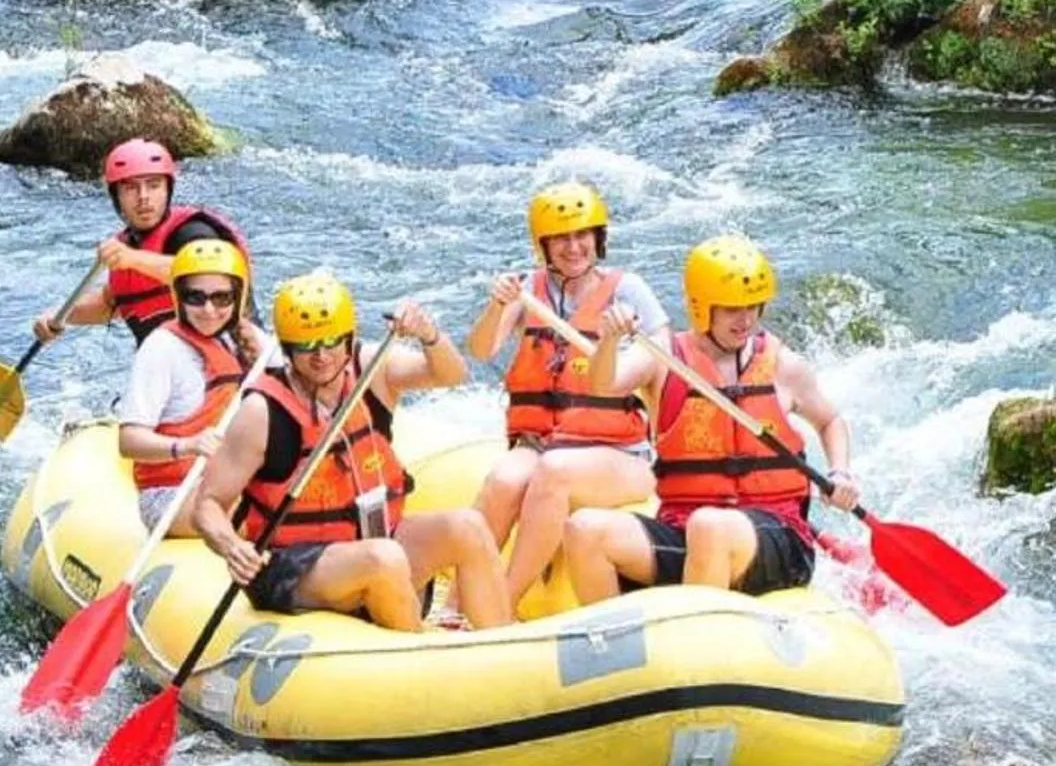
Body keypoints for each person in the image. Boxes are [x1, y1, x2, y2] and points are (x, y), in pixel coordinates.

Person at [191, 272, 513, 632]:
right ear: (287, 348)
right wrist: (231, 546)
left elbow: (450, 375)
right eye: (306, 346)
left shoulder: (371, 369)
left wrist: (428, 335)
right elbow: (208, 504)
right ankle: (417, 652)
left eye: (331, 342)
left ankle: (503, 642)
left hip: (371, 541)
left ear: (349, 337)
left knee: (467, 526)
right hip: (292, 565)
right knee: (383, 557)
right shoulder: (261, 412)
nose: (322, 356)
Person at [561, 235, 861, 604]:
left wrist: (840, 472)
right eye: (732, 309)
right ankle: (617, 638)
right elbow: (603, 384)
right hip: (686, 528)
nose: (746, 319)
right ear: (702, 307)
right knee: (584, 529)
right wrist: (609, 340)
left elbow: (830, 421)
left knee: (709, 526)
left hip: (777, 535)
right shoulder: (664, 357)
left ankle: (698, 636)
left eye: (753, 306)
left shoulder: (782, 365)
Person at [464, 182, 670, 609]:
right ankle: (457, 608)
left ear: (598, 237)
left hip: (619, 453)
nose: (573, 247)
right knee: (505, 480)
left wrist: (614, 339)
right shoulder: (528, 290)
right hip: (542, 441)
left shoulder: (629, 292)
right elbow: (481, 350)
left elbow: (659, 369)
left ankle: (501, 605)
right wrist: (496, 306)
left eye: (582, 235)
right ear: (543, 245)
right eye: (561, 238)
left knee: (554, 470)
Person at [32, 138, 250, 347]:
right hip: (166, 363)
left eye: (153, 185)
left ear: (167, 190)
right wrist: (60, 315)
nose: (143, 197)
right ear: (116, 197)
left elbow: (207, 275)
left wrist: (133, 259)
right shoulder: (128, 244)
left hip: (229, 360)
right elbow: (109, 304)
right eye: (130, 188)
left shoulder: (194, 233)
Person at [116, 240, 262, 536]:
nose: (209, 309)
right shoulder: (162, 348)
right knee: (266, 504)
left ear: (237, 298)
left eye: (222, 298)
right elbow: (129, 441)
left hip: (229, 479)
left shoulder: (249, 339)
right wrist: (187, 445)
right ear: (178, 298)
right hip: (171, 495)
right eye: (195, 297)